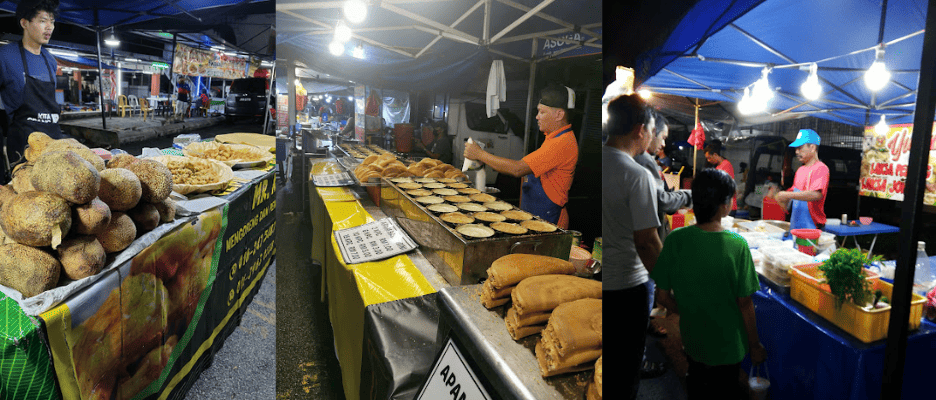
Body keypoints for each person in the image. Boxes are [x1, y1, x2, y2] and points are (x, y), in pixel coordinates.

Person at [650, 168, 767, 399]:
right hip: (729, 348)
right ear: (725, 205)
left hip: (693, 341)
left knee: (696, 386)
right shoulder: (737, 245)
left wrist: (687, 311)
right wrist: (755, 346)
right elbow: (745, 304)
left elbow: (661, 297)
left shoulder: (675, 239)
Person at [602, 94, 661, 399]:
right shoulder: (636, 175)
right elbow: (647, 243)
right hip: (629, 287)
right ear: (640, 130)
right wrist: (667, 284)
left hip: (603, 281)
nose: (652, 136)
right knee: (625, 369)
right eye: (652, 129)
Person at [464, 84, 578, 228]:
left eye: (542, 112)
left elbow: (518, 169)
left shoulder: (562, 143)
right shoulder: (554, 138)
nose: (537, 117)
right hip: (537, 216)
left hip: (549, 219)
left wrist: (479, 154)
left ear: (559, 115)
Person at [633, 110, 692, 378]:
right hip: (645, 243)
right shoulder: (644, 161)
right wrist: (692, 195)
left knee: (646, 295)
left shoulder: (642, 160)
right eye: (663, 137)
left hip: (645, 240)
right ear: (647, 132)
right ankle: (639, 362)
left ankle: (647, 324)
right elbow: (664, 202)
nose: (664, 144)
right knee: (645, 291)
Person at [0, 0, 68, 170]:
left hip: (53, 140)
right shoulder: (5, 56)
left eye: (52, 21)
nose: (49, 27)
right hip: (23, 146)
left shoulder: (50, 61)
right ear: (24, 23)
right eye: (42, 21)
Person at [772, 129, 829, 230]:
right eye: (796, 148)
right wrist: (781, 198)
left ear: (812, 147)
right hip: (796, 224)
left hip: (812, 227)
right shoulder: (800, 170)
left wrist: (787, 195)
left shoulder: (821, 168)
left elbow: (816, 194)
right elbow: (794, 191)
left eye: (800, 148)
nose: (796, 151)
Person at [704, 141, 738, 216]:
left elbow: (725, 187)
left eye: (709, 158)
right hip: (722, 206)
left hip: (728, 207)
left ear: (715, 155)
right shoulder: (718, 167)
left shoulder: (726, 165)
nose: (708, 160)